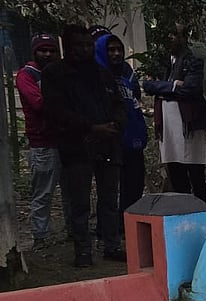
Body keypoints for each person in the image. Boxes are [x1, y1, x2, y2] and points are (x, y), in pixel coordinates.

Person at [42, 24, 126, 267]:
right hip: (76, 145)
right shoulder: (54, 74)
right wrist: (91, 128)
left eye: (88, 45)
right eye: (79, 45)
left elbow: (119, 104)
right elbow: (57, 111)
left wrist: (115, 125)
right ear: (68, 47)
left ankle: (111, 245)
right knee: (79, 203)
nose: (85, 49)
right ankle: (83, 251)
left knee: (109, 199)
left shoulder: (102, 73)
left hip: (108, 144)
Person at [144, 23, 206, 201]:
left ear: (184, 37)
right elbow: (148, 85)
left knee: (195, 171)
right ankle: (183, 208)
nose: (171, 38)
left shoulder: (193, 59)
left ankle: (200, 209)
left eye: (175, 34)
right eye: (169, 34)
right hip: (167, 122)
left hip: (189, 122)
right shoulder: (160, 61)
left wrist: (161, 88)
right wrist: (173, 85)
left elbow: (191, 88)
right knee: (174, 169)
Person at [16, 33, 63, 249]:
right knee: (43, 192)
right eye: (43, 50)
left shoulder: (60, 72)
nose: (47, 54)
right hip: (42, 142)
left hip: (66, 139)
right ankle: (40, 236)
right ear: (35, 52)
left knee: (71, 191)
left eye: (52, 50)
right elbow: (38, 104)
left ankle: (73, 231)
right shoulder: (27, 75)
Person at [95, 32, 148, 222]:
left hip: (132, 138)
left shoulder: (126, 73)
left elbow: (135, 101)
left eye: (119, 49)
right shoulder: (97, 75)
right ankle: (109, 227)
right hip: (110, 140)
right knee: (109, 188)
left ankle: (129, 223)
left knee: (134, 183)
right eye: (111, 50)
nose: (116, 54)